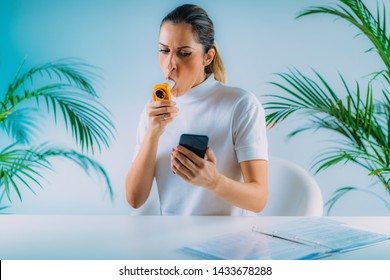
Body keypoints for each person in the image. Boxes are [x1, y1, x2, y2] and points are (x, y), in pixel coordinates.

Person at [126, 4, 268, 216]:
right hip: (170, 240)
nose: (170, 64)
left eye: (184, 53)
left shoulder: (241, 105)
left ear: (208, 57)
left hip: (228, 243)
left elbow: (259, 199)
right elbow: (135, 199)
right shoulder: (153, 110)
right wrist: (153, 132)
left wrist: (213, 181)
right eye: (164, 50)